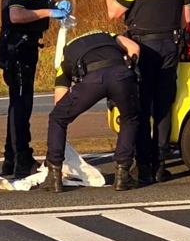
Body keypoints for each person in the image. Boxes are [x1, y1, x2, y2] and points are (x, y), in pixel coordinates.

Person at [104, 0, 190, 185]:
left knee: (141, 107)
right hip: (170, 47)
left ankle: (143, 167)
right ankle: (160, 164)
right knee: (163, 106)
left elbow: (113, 12)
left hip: (143, 48)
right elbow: (185, 20)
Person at [0, 0, 70, 179]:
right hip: (15, 46)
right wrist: (49, 13)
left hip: (28, 45)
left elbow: (41, 3)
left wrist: (56, 6)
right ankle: (22, 160)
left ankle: (10, 159)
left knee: (20, 102)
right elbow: (16, 15)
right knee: (21, 104)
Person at [43, 30, 140, 193]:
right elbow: (134, 48)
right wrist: (130, 72)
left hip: (92, 80)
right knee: (129, 119)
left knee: (57, 119)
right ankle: (123, 175)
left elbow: (59, 104)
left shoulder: (66, 54)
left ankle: (54, 176)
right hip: (121, 74)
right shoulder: (109, 35)